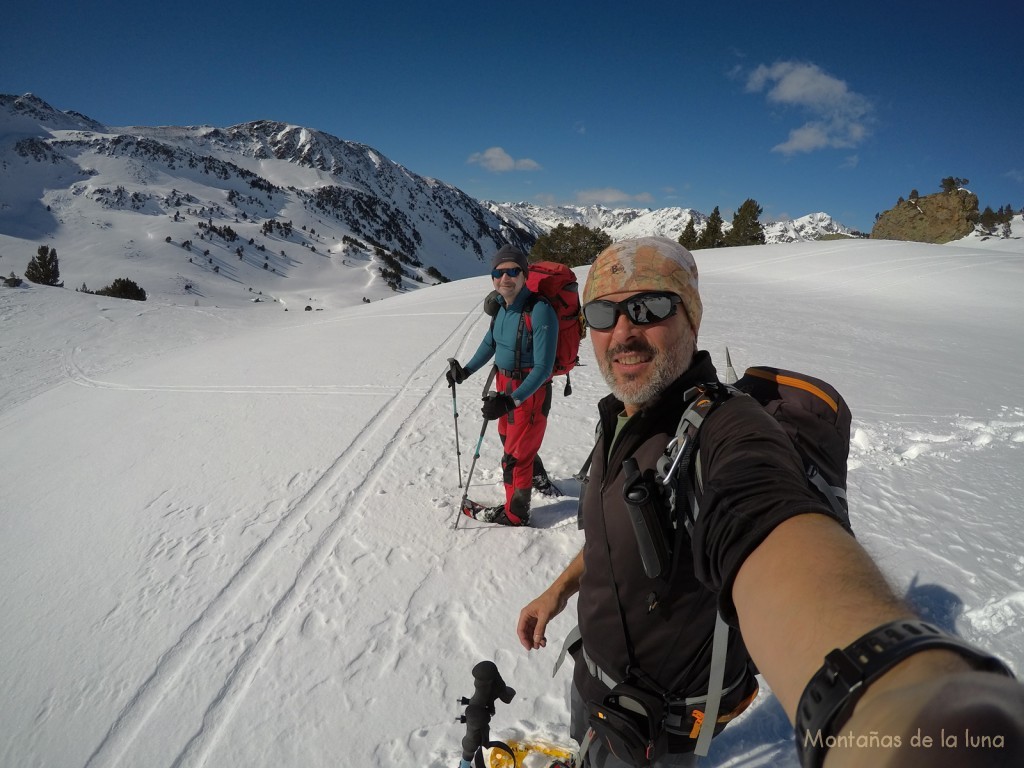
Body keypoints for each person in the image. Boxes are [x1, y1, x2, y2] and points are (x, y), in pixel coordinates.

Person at [516, 237, 1023, 767]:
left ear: (690, 317)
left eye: (649, 307)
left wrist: (897, 695)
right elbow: (612, 539)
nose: (622, 332)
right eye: (603, 312)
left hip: (653, 726)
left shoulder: (727, 429)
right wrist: (557, 592)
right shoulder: (620, 414)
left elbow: (765, 519)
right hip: (592, 681)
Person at [446, 245, 560, 526]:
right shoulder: (501, 307)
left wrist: (512, 400)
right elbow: (491, 343)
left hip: (529, 392)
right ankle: (536, 477)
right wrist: (465, 372)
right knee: (509, 441)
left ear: (524, 274)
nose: (504, 278)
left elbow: (544, 368)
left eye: (512, 271)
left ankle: (516, 514)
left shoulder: (540, 310)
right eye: (498, 272)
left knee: (514, 458)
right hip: (505, 385)